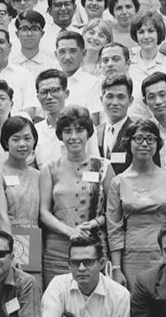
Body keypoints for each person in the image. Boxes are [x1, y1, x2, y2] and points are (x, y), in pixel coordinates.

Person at [39, 106, 114, 287]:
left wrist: (94, 223)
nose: (73, 136)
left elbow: (113, 212)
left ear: (88, 133)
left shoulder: (103, 167)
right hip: (58, 248)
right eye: (67, 131)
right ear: (60, 135)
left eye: (79, 130)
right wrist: (69, 231)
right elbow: (43, 212)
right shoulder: (49, 168)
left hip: (93, 247)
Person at [107, 119, 166, 288]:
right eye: (139, 138)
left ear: (158, 143)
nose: (145, 144)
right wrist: (116, 268)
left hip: (164, 254)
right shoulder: (118, 182)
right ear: (129, 143)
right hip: (130, 258)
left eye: (150, 139)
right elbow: (114, 228)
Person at [0, 115, 41, 234]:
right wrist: (8, 245)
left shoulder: (38, 175)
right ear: (6, 143)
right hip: (10, 235)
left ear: (34, 141)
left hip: (36, 239)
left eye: (27, 138)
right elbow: (1, 216)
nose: (22, 144)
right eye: (16, 139)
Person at [95, 75, 135, 174]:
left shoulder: (137, 132)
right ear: (101, 99)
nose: (115, 103)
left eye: (121, 97)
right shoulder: (94, 133)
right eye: (110, 96)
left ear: (130, 101)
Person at [128, 10, 166, 85]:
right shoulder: (128, 63)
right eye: (141, 32)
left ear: (158, 33)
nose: (146, 37)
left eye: (151, 31)